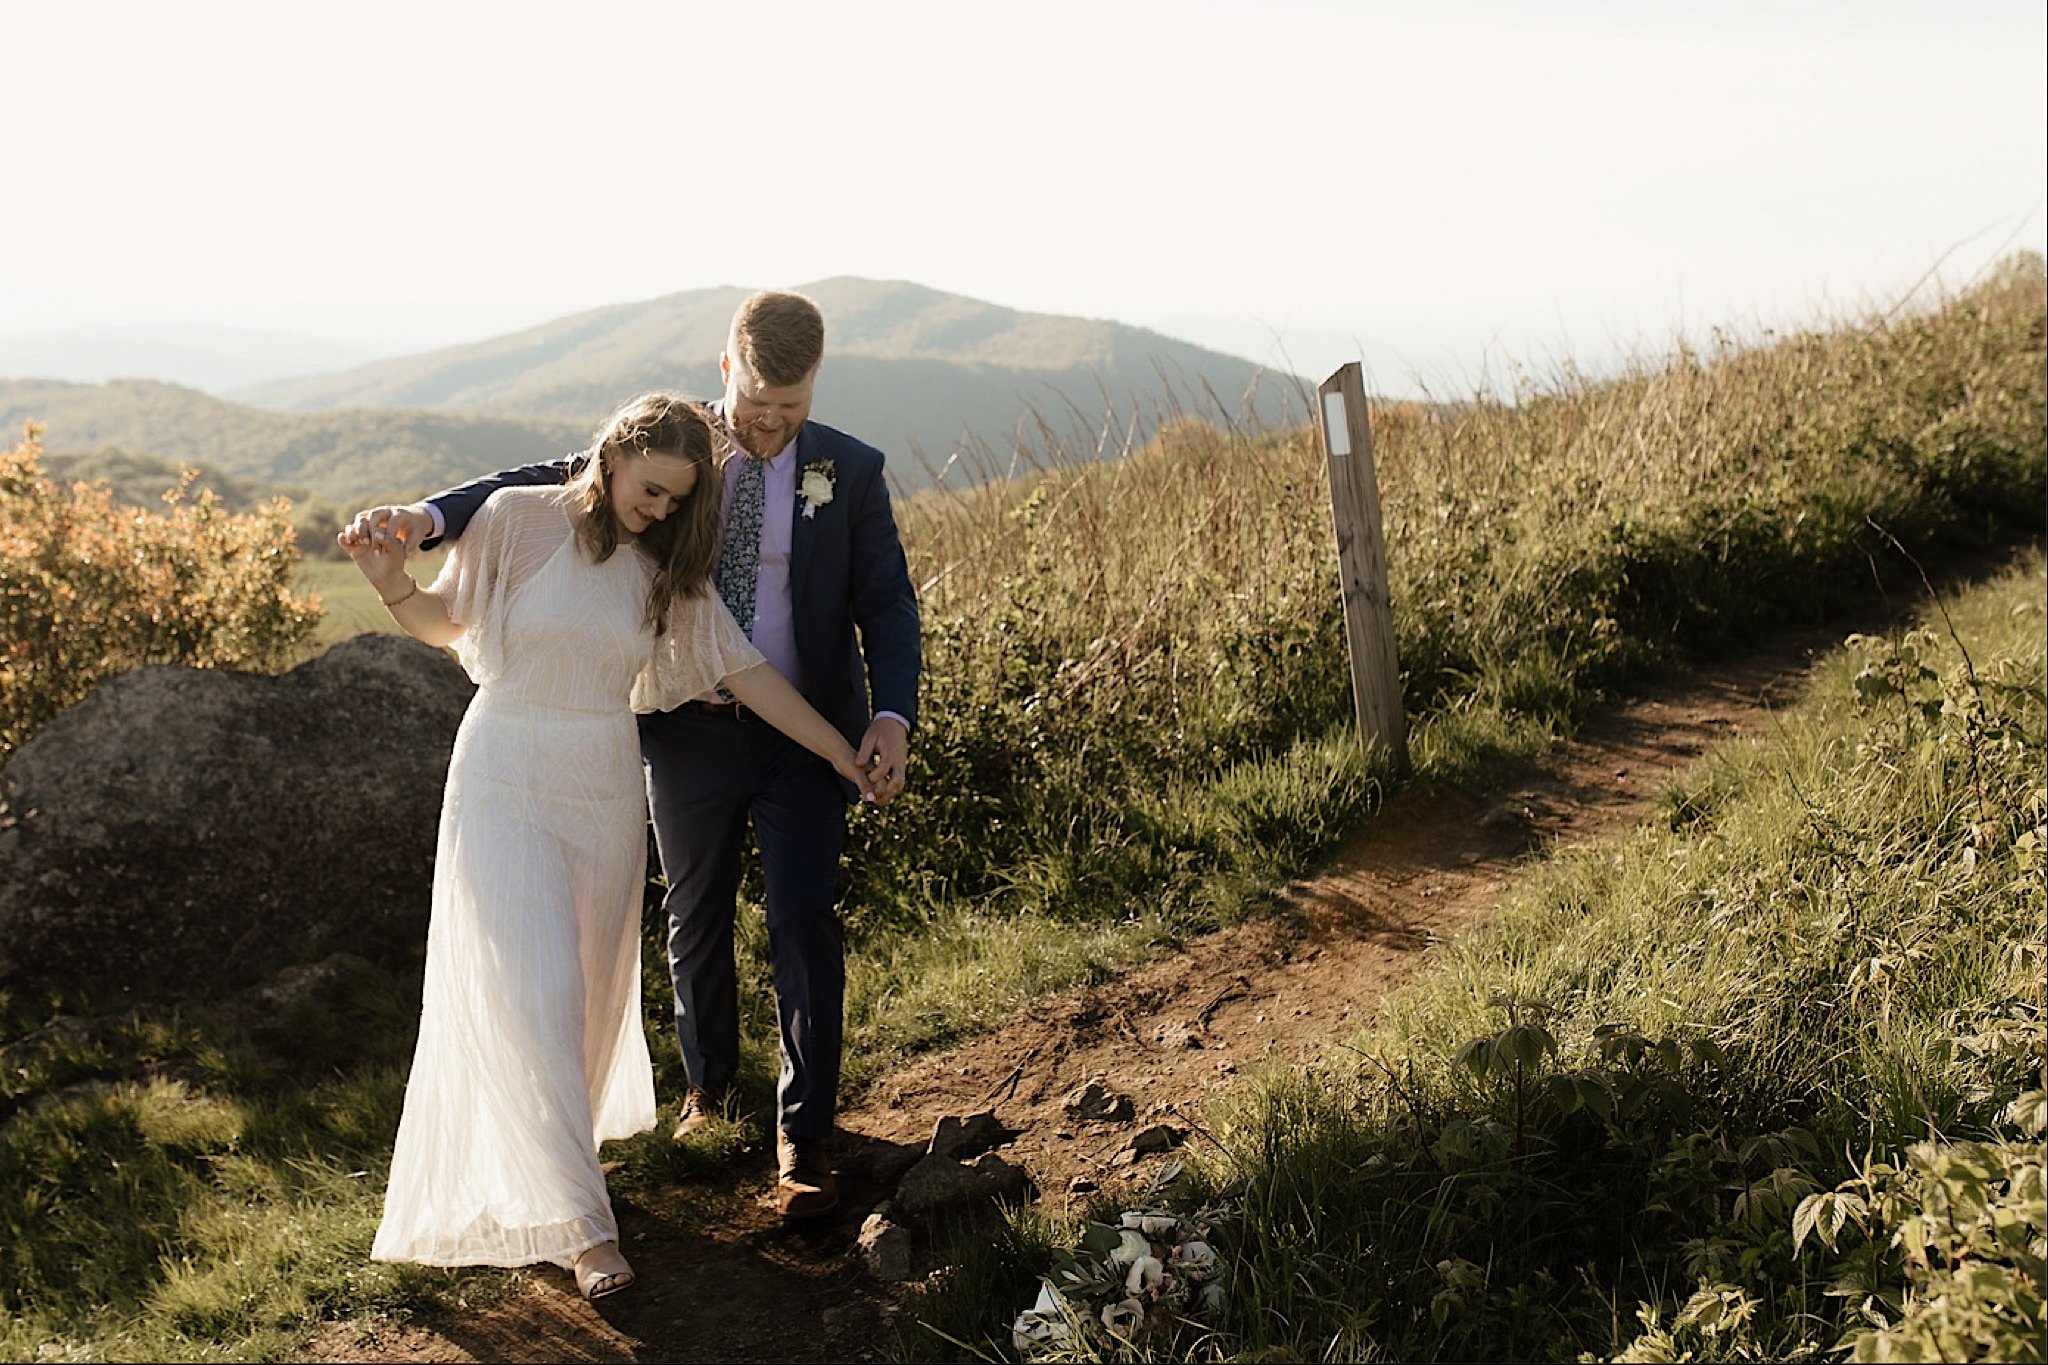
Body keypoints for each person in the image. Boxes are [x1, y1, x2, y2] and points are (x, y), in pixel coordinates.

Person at [348, 290, 922, 1220]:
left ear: (816, 385)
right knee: (691, 911)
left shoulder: (848, 470)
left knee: (804, 914)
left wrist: (887, 717)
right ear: (725, 368)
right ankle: (707, 1090)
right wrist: (423, 518)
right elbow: (537, 484)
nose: (773, 424)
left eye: (794, 405)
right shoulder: (675, 444)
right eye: (759, 400)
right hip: (682, 725)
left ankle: (804, 1128)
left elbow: (888, 603)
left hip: (803, 720)